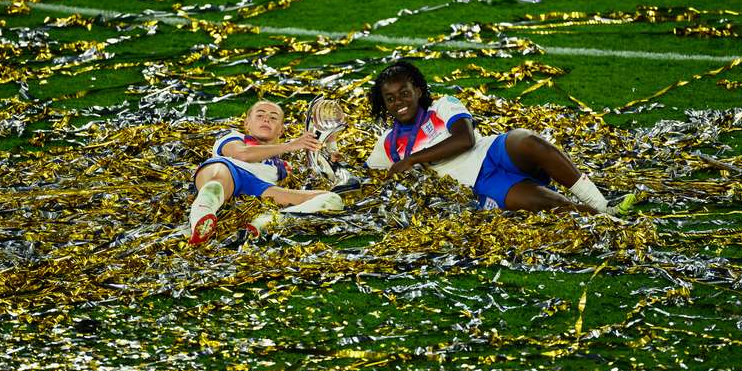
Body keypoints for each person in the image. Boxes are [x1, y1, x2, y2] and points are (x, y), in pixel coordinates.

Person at [365, 61, 635, 215]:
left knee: (525, 139)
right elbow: (365, 180)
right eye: (390, 98)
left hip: (491, 151)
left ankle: (601, 203)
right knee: (542, 203)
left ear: (419, 90)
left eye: (405, 93)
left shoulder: (443, 106)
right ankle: (602, 217)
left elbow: (464, 140)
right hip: (478, 184)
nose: (398, 102)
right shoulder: (387, 144)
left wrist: (413, 159)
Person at [188, 99, 344, 244]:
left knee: (332, 199)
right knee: (216, 183)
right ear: (247, 124)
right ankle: (201, 220)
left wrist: (331, 149)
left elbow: (321, 176)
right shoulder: (232, 136)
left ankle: (266, 222)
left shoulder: (283, 165)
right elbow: (242, 154)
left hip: (260, 187)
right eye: (260, 115)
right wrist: (290, 145)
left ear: (281, 130)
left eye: (273, 117)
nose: (266, 119)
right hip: (229, 171)